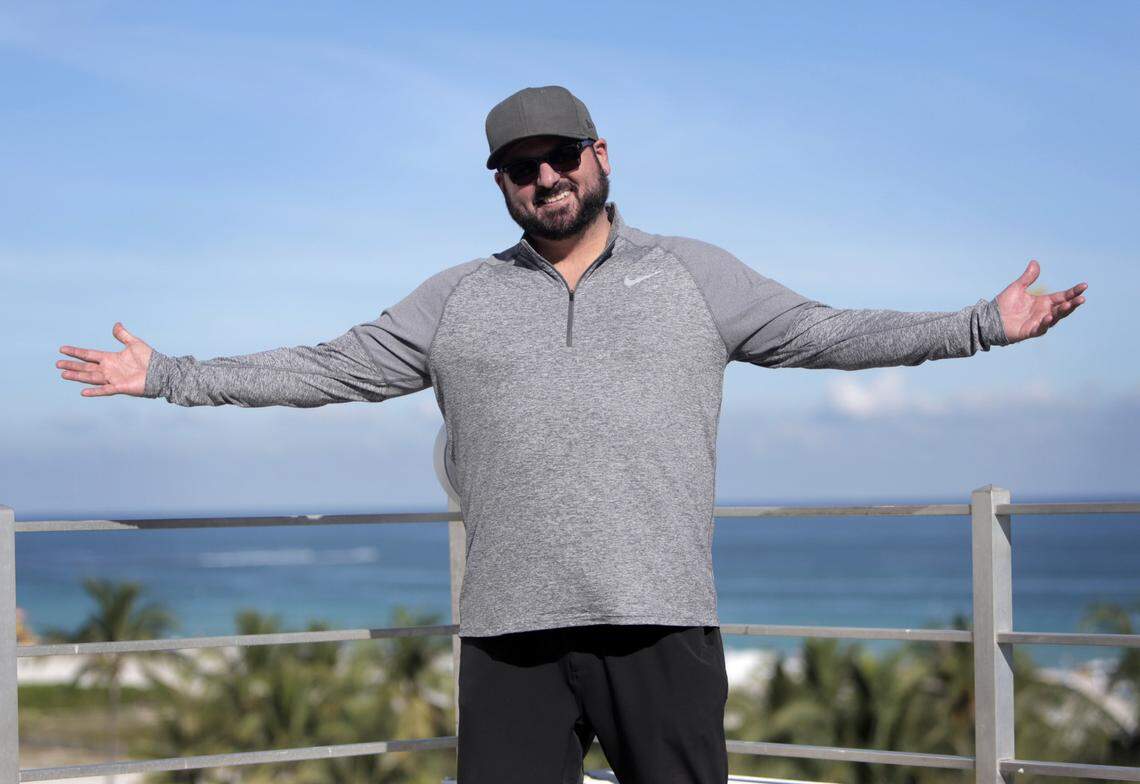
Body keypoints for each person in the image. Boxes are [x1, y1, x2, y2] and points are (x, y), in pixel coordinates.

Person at [56, 85, 1087, 784]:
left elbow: (830, 331)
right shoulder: (455, 297)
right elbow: (329, 366)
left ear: (600, 156)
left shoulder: (694, 274)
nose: (544, 178)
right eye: (519, 167)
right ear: (500, 184)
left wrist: (983, 324)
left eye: (559, 156)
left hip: (662, 620)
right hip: (508, 636)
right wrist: (169, 377)